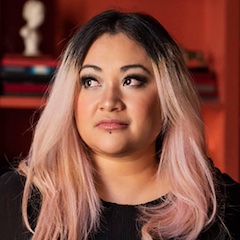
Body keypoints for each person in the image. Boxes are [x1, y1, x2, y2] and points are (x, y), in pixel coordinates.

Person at [1, 9, 240, 240]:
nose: (109, 102)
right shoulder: (12, 200)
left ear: (168, 96)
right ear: (70, 97)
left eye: (131, 80)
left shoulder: (226, 208)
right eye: (91, 81)